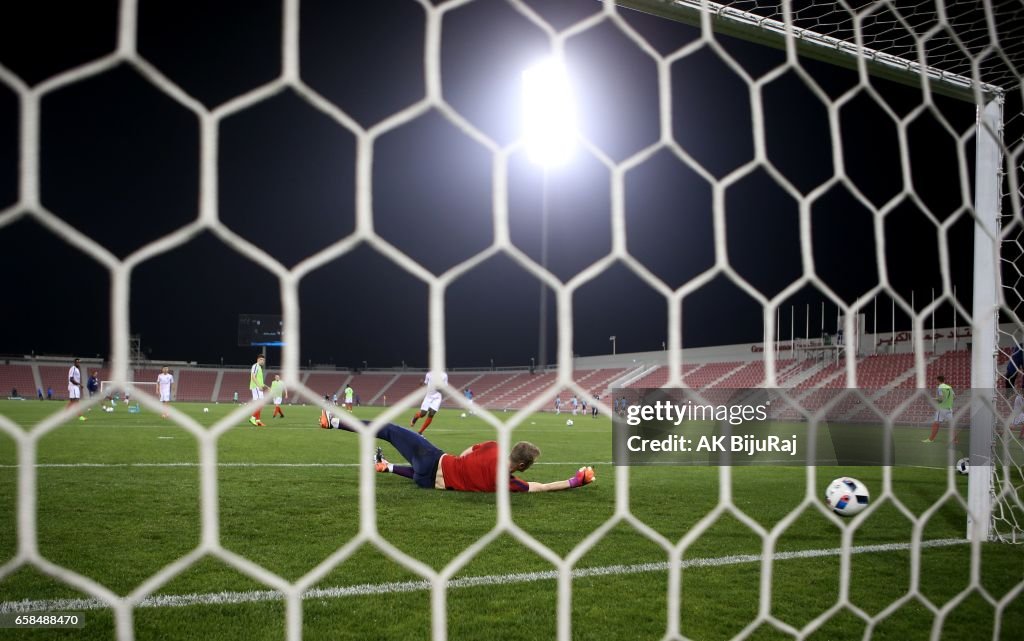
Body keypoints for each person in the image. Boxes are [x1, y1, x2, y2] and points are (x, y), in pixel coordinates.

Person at [325, 415, 594, 493]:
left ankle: (336, 422)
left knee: (390, 430)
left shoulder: (494, 446)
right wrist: (574, 481)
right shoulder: (507, 484)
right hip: (431, 483)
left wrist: (465, 462)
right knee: (424, 476)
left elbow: (467, 452)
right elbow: (541, 487)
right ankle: (388, 467)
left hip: (432, 459)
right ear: (522, 464)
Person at [411, 370, 447, 434]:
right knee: (423, 414)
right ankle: (416, 417)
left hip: (437, 397)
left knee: (431, 413)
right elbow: (425, 384)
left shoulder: (444, 375)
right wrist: (421, 384)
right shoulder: (429, 374)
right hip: (428, 396)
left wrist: (439, 389)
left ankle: (420, 432)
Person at [923, 375, 955, 443]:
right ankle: (954, 440)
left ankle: (930, 439)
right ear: (944, 380)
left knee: (935, 424)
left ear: (938, 380)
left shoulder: (940, 387)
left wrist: (932, 399)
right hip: (949, 408)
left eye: (936, 381)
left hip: (942, 409)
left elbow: (941, 399)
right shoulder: (949, 387)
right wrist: (948, 401)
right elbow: (954, 397)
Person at [249, 354, 269, 426]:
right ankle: (253, 417)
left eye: (263, 360)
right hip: (256, 387)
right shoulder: (255, 366)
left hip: (258, 387)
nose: (263, 361)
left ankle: (258, 420)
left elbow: (261, 382)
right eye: (261, 359)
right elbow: (253, 377)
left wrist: (267, 387)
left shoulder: (260, 368)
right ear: (258, 360)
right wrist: (258, 386)